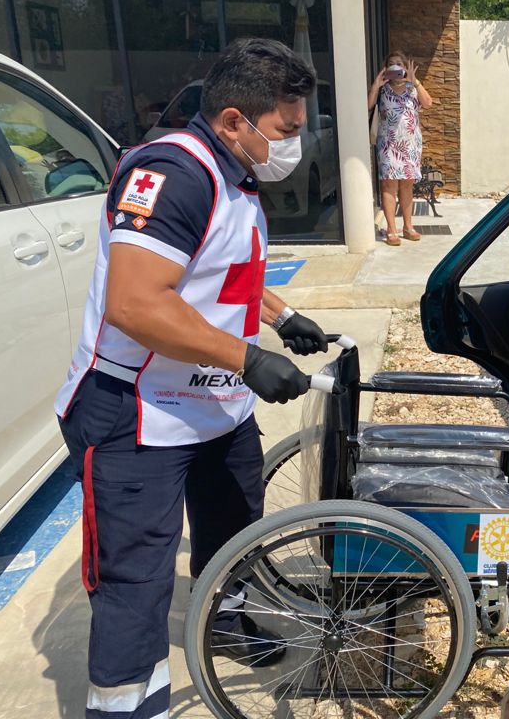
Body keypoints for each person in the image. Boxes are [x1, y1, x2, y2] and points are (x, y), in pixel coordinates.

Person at [54, 38, 329, 719]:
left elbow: (215, 272)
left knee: (233, 527)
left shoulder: (233, 176)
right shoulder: (173, 173)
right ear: (236, 119)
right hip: (135, 411)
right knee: (135, 580)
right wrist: (248, 359)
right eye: (286, 130)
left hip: (212, 403)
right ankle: (123, 705)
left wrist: (282, 314)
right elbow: (137, 303)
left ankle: (224, 622)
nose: (293, 144)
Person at [367, 50, 433, 246]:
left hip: (410, 145)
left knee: (406, 186)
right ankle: (392, 229)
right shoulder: (383, 89)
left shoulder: (413, 88)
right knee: (389, 186)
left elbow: (428, 103)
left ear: (405, 67)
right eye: (391, 64)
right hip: (388, 146)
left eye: (399, 64)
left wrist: (416, 81)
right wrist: (376, 85)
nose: (395, 67)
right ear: (387, 69)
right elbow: (368, 106)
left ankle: (408, 226)